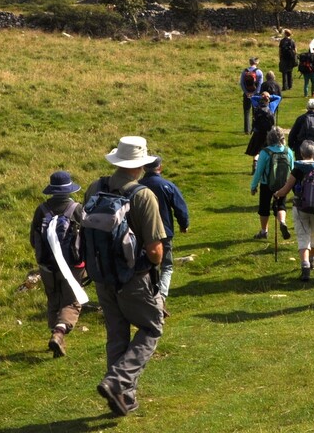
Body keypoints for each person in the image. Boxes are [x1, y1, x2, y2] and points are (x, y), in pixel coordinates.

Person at [85, 136, 166, 417]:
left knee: (117, 333)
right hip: (133, 277)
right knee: (152, 327)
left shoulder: (96, 187)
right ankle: (117, 382)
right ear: (140, 165)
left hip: (102, 275)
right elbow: (156, 250)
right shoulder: (143, 196)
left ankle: (123, 399)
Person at [29, 170, 85, 358]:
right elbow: (87, 238)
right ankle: (59, 333)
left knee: (53, 299)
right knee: (71, 301)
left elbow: (33, 239)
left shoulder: (41, 210)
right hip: (73, 267)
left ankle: (55, 334)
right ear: (69, 189)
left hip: (47, 266)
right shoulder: (77, 209)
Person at [273, 140, 314, 281]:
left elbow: (286, 189)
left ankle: (305, 264)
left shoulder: (298, 169)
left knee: (303, 235)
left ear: (301, 153)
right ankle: (312, 259)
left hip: (300, 207)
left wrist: (277, 194)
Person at [139, 156, 190, 316]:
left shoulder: (137, 186)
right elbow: (180, 207)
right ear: (160, 168)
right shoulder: (167, 185)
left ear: (143, 168)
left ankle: (146, 298)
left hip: (142, 233)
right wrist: (184, 224)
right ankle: (160, 298)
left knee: (146, 266)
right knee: (166, 266)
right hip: (164, 231)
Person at [250, 127, 294, 240]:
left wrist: (253, 186)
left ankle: (264, 231)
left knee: (264, 208)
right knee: (281, 206)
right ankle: (282, 222)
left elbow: (258, 171)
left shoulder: (265, 152)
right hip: (282, 184)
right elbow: (292, 169)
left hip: (266, 184)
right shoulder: (288, 151)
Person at [245, 91, 282, 174]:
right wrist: (269, 96)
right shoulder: (271, 106)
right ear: (268, 99)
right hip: (269, 132)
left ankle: (255, 164)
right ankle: (267, 167)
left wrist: (262, 96)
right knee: (269, 150)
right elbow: (278, 98)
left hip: (258, 132)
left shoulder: (256, 106)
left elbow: (253, 98)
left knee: (257, 150)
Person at [239, 57, 263, 134]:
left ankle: (247, 130)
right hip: (256, 95)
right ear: (256, 63)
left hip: (246, 94)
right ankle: (254, 129)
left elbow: (242, 83)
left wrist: (246, 93)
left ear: (250, 63)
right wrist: (255, 93)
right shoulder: (259, 72)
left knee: (246, 111)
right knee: (255, 112)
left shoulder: (244, 71)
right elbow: (260, 85)